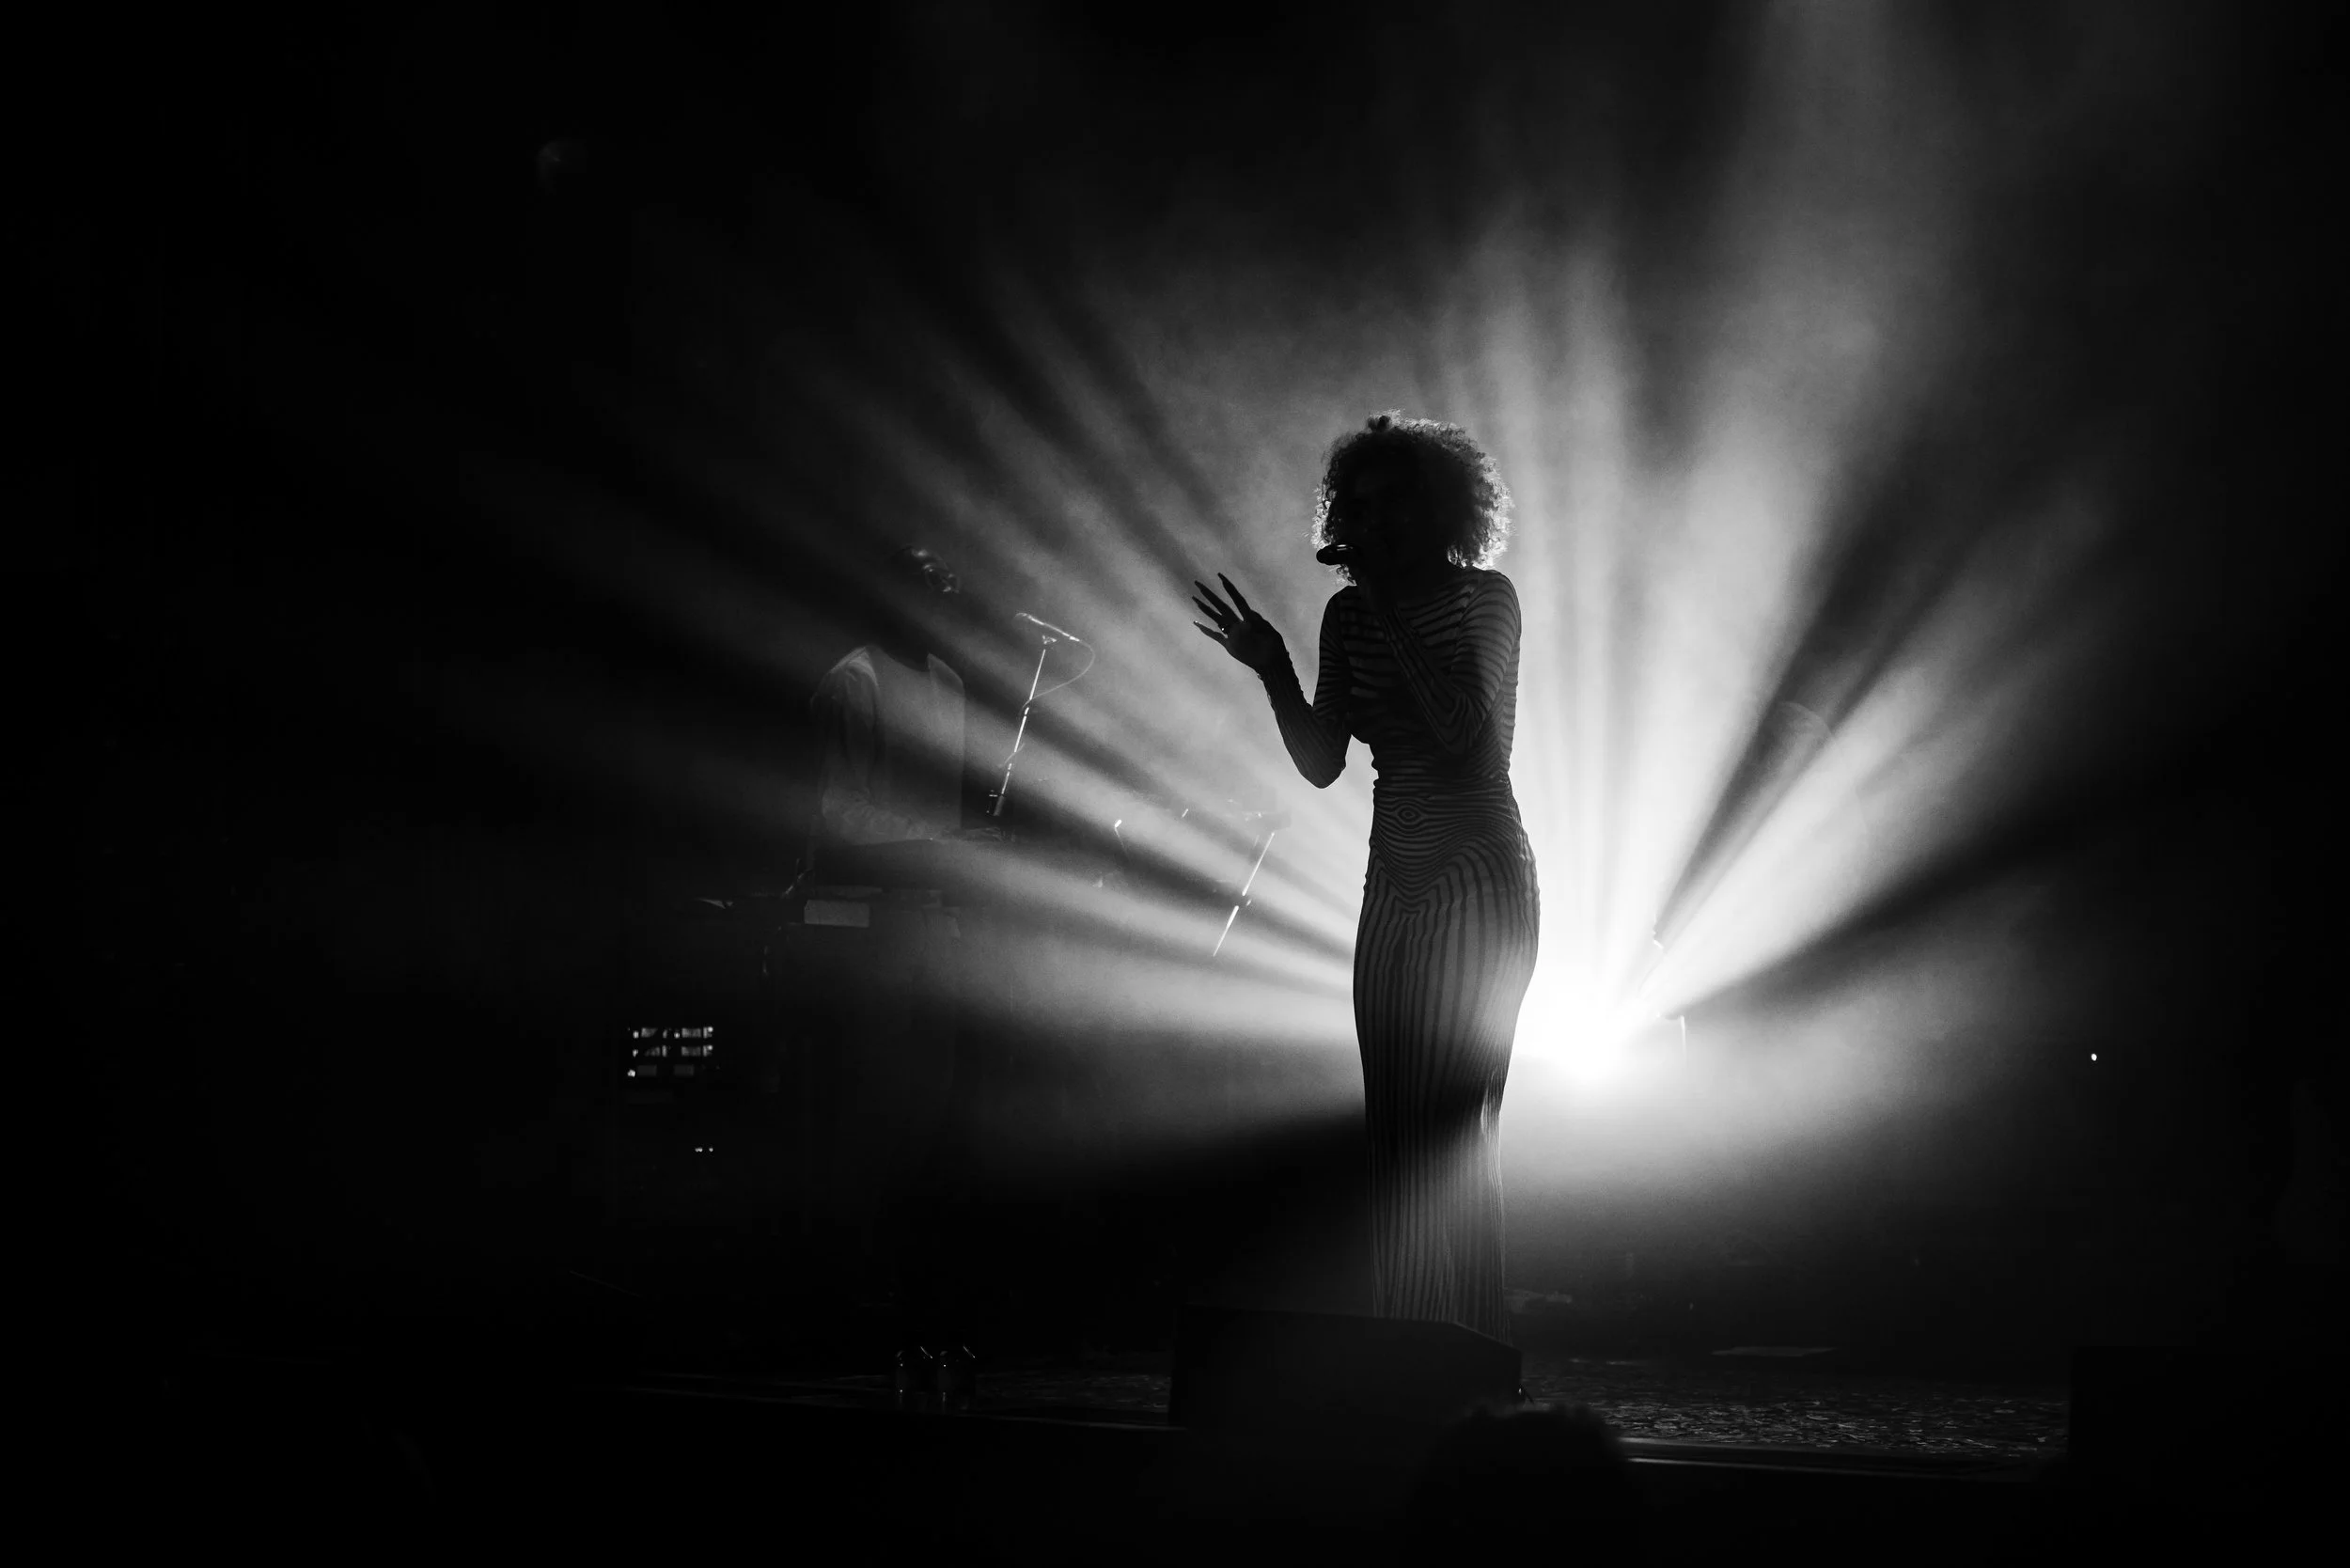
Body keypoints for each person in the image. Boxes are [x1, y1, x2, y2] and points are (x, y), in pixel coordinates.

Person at [1194, 414, 1538, 1342]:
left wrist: (1386, 602)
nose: (1374, 524)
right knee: (1392, 1128)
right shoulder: (1345, 614)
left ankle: (1465, 1343)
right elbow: (1321, 762)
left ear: (1437, 513)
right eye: (1361, 506)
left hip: (1477, 872)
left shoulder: (1485, 600)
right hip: (1393, 881)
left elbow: (1468, 736)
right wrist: (1272, 671)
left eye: (1394, 507)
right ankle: (1408, 1342)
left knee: (1448, 1129)